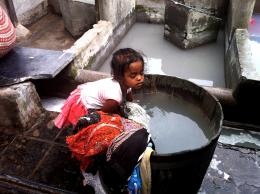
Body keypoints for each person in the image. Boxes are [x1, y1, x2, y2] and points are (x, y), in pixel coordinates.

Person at [54, 48, 145, 129]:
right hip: (84, 102)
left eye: (141, 73)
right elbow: (102, 114)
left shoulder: (127, 84)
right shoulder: (114, 97)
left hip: (90, 90)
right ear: (120, 76)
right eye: (133, 75)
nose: (139, 78)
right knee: (97, 122)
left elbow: (129, 101)